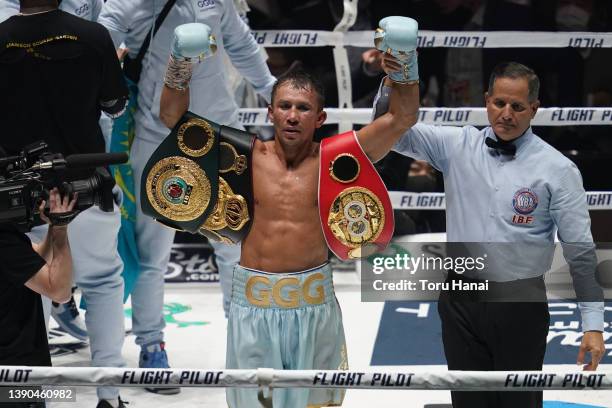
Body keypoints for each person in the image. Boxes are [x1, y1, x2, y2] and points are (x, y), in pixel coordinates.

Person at [158, 16, 420, 407]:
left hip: (313, 304)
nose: (293, 116)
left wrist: (405, 66)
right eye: (284, 107)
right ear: (270, 112)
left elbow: (402, 117)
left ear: (320, 118)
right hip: (254, 304)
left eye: (302, 108)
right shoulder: (244, 156)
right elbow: (172, 118)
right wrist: (179, 68)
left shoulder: (338, 158)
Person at [375, 58, 606, 408]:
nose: (507, 114)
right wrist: (395, 78)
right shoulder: (455, 145)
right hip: (460, 295)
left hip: (519, 302)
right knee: (468, 402)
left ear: (534, 108)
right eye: (499, 103)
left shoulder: (558, 169)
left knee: (518, 405)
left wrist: (592, 324)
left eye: (517, 106)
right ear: (486, 100)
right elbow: (388, 126)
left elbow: (580, 252)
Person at [97, 0, 277, 395]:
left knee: (235, 246)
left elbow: (240, 43)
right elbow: (103, 32)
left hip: (221, 131)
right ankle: (151, 345)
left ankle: (244, 348)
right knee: (152, 255)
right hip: (156, 134)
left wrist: (269, 90)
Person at [0, 1, 129, 407]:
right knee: (103, 282)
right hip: (84, 183)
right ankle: (108, 397)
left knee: (31, 291)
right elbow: (116, 105)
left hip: (17, 194)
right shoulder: (92, 36)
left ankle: (32, 396)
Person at [0, 188, 77, 408]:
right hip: (14, 381)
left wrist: (53, 227)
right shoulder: (5, 243)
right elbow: (60, 291)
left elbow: (34, 262)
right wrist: (61, 229)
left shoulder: (9, 241)